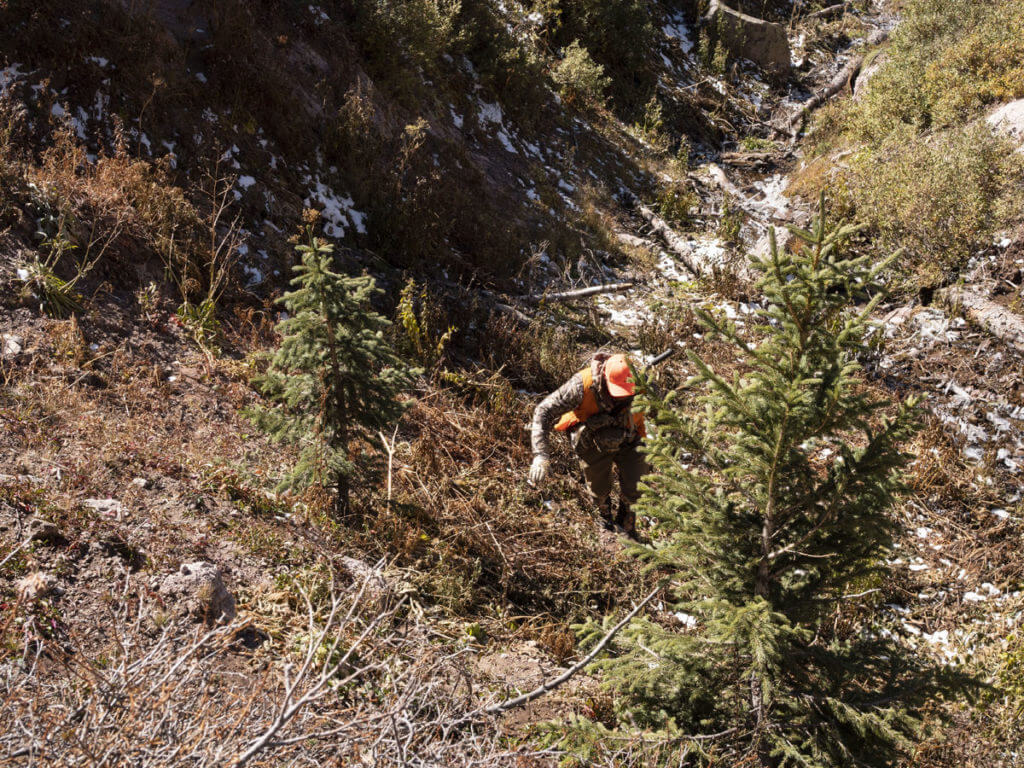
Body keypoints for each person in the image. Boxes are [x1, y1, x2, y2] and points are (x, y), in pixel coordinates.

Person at [528, 352, 648, 538]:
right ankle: (604, 519)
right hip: (592, 438)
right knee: (599, 486)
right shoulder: (581, 385)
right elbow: (543, 411)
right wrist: (540, 455)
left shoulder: (642, 384)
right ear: (605, 378)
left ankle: (627, 524)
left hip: (630, 435)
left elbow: (663, 413)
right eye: (617, 392)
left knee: (637, 481)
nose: (620, 398)